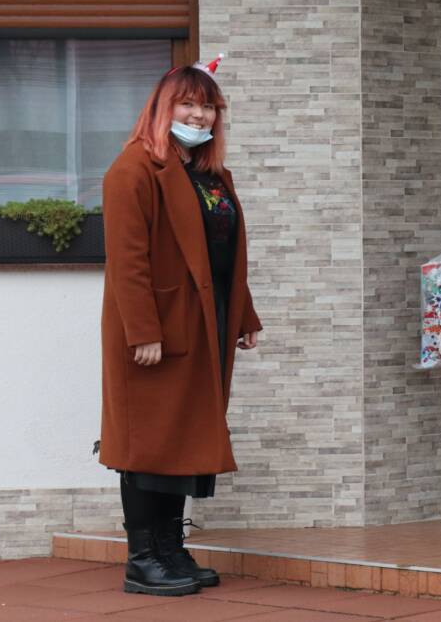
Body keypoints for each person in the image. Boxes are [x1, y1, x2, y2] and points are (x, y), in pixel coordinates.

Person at [99, 58, 262, 596]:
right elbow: (127, 261)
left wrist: (243, 314)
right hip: (156, 329)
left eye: (207, 106)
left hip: (203, 322)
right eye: (188, 103)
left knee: (183, 437)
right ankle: (143, 559)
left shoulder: (211, 175)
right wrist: (142, 331)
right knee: (150, 440)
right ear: (162, 108)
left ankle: (170, 550)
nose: (199, 114)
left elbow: (222, 254)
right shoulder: (133, 170)